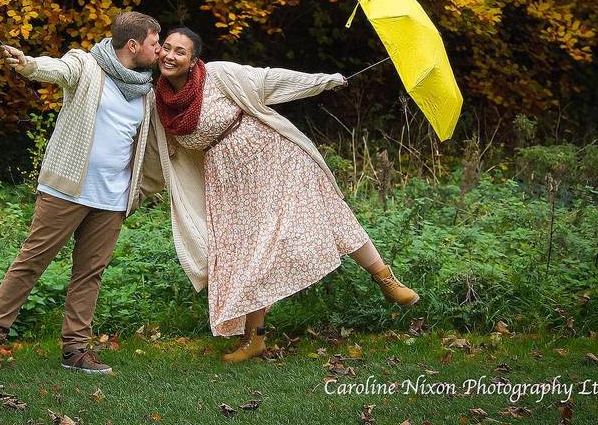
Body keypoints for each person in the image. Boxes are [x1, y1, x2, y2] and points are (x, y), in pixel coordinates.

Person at [150, 27, 419, 363]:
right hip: (229, 183)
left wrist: (325, 81)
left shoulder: (217, 75)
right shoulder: (158, 100)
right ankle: (254, 340)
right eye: (167, 48)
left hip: (274, 158)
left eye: (181, 51)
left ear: (193, 60)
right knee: (247, 253)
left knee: (332, 214)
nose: (171, 56)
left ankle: (385, 279)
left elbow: (269, 80)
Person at [0, 11, 164, 376]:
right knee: (30, 264)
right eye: (154, 43)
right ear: (133, 45)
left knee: (89, 273)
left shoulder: (146, 91)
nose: (159, 50)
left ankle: (75, 350)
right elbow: (57, 69)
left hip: (112, 198)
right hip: (67, 191)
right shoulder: (86, 65)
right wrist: (27, 64)